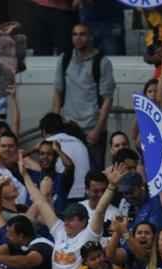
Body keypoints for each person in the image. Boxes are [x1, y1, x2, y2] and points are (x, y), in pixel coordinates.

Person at [52, 24, 115, 166]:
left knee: (94, 175)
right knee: (69, 172)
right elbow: (57, 93)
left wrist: (97, 130)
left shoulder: (102, 62)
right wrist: (54, 127)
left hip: (92, 128)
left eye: (82, 34)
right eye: (74, 34)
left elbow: (107, 99)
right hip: (68, 127)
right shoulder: (64, 59)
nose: (78, 38)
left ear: (90, 37)